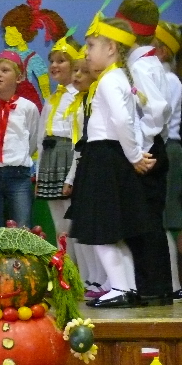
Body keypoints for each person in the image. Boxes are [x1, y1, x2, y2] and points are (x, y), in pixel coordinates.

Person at [70, 15, 155, 308]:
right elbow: (130, 121)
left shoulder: (108, 80)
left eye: (91, 45)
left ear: (111, 48)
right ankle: (127, 287)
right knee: (114, 233)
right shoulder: (117, 78)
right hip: (113, 157)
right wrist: (134, 153)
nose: (86, 52)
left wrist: (135, 156)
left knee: (101, 231)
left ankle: (120, 288)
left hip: (103, 159)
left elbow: (122, 121)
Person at [116, 0, 172, 305]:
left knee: (145, 222)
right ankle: (154, 287)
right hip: (152, 146)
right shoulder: (150, 63)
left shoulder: (139, 67)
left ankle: (153, 287)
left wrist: (141, 148)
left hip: (146, 150)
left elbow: (157, 109)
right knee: (147, 220)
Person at [63, 51, 109, 300]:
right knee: (79, 228)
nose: (78, 75)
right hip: (82, 167)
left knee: (96, 227)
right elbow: (77, 147)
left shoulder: (95, 100)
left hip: (96, 166)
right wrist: (71, 177)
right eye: (76, 70)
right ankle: (90, 278)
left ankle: (104, 279)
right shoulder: (79, 103)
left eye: (84, 71)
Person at [0, 51, 39, 228]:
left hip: (19, 176)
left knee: (22, 228)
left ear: (18, 78)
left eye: (5, 70)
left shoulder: (28, 108)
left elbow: (34, 139)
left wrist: (21, 157)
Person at [36, 32, 84, 264]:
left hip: (69, 159)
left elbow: (79, 139)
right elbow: (41, 137)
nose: (54, 65)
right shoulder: (52, 98)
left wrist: (71, 177)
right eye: (52, 61)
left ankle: (78, 272)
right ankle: (63, 268)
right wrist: (38, 173)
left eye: (61, 61)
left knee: (72, 223)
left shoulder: (79, 98)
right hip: (50, 157)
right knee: (59, 225)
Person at [153, 21, 182, 299]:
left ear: (161, 50)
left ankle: (173, 283)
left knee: (162, 220)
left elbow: (159, 118)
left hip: (166, 148)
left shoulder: (168, 79)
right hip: (159, 147)